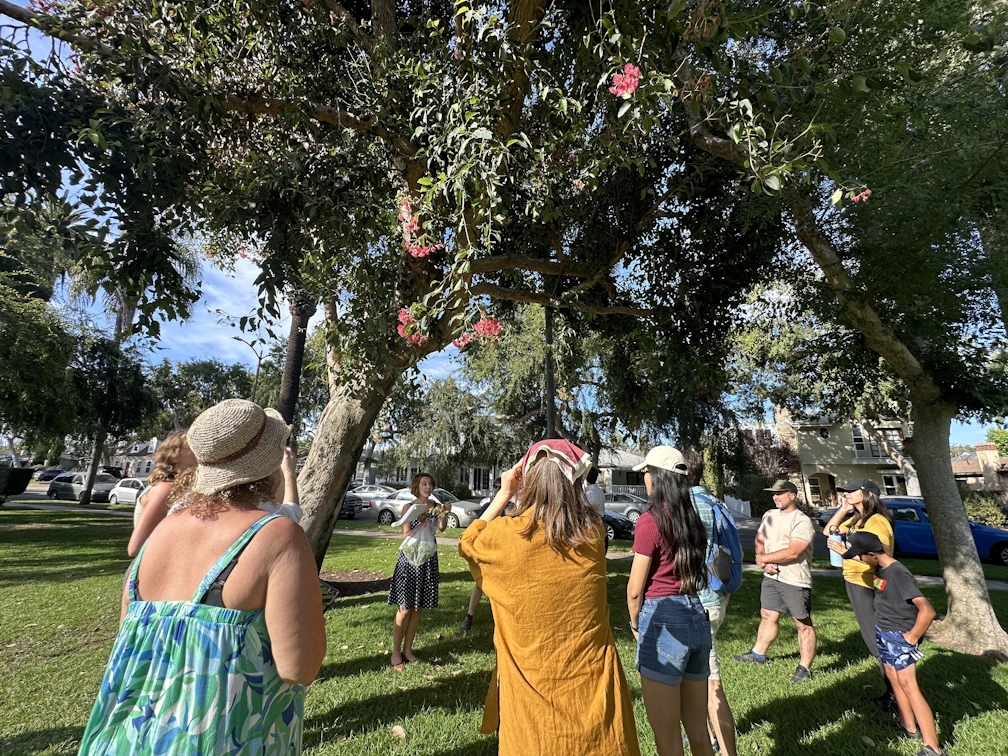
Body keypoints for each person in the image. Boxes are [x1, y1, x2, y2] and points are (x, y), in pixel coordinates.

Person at [78, 399, 326, 755]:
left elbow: (130, 642)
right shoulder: (279, 536)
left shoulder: (159, 535)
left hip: (129, 738)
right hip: (223, 738)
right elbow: (299, 668)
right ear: (269, 463)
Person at [459, 440, 640, 756]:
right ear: (576, 482)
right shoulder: (593, 534)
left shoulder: (505, 536)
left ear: (526, 482)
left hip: (532, 708)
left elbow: (468, 542)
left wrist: (503, 493)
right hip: (593, 693)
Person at [626, 446, 713, 756]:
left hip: (662, 620)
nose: (644, 479)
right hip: (696, 615)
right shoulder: (691, 518)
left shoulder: (650, 520)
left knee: (668, 741)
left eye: (647, 473)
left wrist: (635, 624)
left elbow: (635, 589)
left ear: (658, 477)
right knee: (700, 735)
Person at [839, 532, 942, 755]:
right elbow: (881, 589)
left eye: (860, 556)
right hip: (883, 630)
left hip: (900, 634)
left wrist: (911, 638)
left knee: (909, 685)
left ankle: (932, 746)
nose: (858, 560)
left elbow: (927, 610)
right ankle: (908, 726)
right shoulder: (880, 569)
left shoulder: (898, 573)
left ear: (872, 554)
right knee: (893, 678)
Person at [733, 479, 817, 683]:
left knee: (802, 623)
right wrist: (762, 560)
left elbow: (794, 551)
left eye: (780, 493)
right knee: (768, 615)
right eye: (773, 493)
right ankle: (757, 654)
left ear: (793, 495)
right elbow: (760, 538)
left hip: (794, 578)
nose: (775, 497)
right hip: (771, 576)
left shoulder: (801, 520)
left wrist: (764, 559)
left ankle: (804, 668)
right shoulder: (770, 515)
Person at [683, 449, 737, 756]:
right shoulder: (714, 501)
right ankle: (706, 736)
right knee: (697, 675)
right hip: (717, 594)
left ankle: (725, 749)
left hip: (698, 601)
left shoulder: (686, 506)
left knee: (711, 683)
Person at [825, 478, 896, 703]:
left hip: (866, 584)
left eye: (851, 490)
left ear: (867, 494)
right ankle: (892, 692)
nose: (845, 493)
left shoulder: (876, 521)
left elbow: (880, 557)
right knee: (874, 638)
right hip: (855, 581)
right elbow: (830, 530)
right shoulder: (858, 519)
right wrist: (843, 508)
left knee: (876, 641)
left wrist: (845, 551)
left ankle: (896, 697)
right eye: (844, 491)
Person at [388, 471, 447, 670]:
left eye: (430, 484)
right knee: (405, 608)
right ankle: (396, 652)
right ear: (417, 486)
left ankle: (408, 650)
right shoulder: (409, 507)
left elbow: (442, 528)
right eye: (424, 483)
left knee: (418, 606)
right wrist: (421, 516)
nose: (428, 487)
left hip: (428, 557)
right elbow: (405, 533)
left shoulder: (435, 507)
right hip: (410, 558)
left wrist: (444, 514)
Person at [128, 430, 197, 557]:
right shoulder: (165, 488)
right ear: (175, 455)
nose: (199, 447)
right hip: (151, 570)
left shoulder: (175, 485)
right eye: (191, 445)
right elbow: (135, 548)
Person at [460, 477, 502, 637]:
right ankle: (469, 616)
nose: (497, 489)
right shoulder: (486, 507)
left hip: (501, 551)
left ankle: (500, 621)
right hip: (487, 551)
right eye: (495, 486)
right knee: (480, 583)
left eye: (500, 487)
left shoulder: (511, 507)